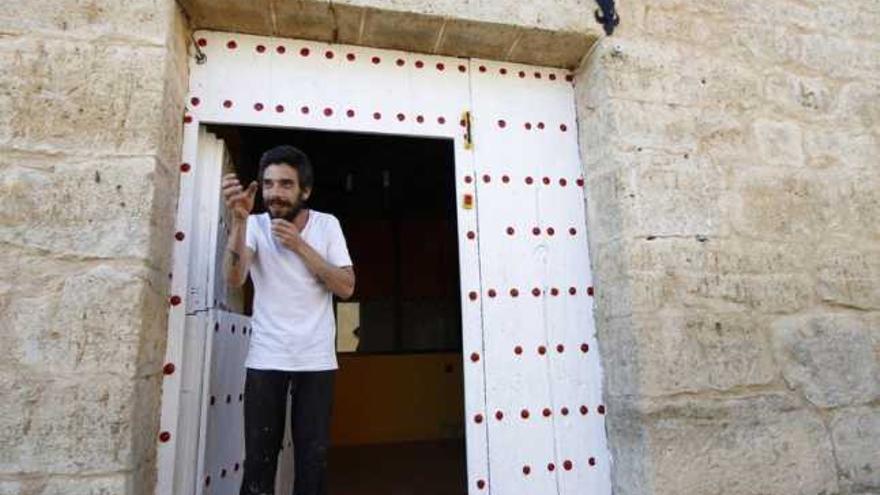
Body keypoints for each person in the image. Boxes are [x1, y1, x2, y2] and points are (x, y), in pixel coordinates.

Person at [222, 145, 355, 495]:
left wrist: (300, 246)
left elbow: (345, 286)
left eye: (285, 184)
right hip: (267, 358)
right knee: (258, 463)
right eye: (268, 184)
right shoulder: (253, 225)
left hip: (316, 360)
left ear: (305, 191)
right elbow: (234, 279)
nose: (274, 194)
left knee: (312, 462)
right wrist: (237, 221)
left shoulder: (327, 225)